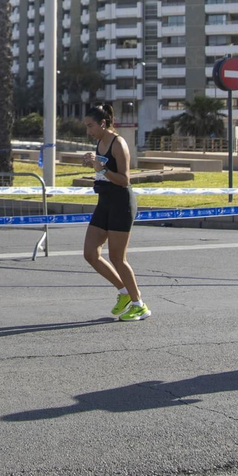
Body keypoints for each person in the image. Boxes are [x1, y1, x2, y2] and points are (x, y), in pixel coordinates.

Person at [77, 104, 148, 321]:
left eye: (91, 126)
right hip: (104, 201)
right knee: (90, 253)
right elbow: (103, 172)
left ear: (103, 124)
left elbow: (125, 180)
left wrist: (102, 169)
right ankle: (124, 292)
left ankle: (139, 305)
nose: (89, 131)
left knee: (117, 257)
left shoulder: (119, 144)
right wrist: (93, 165)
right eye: (87, 127)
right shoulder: (100, 143)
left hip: (121, 203)